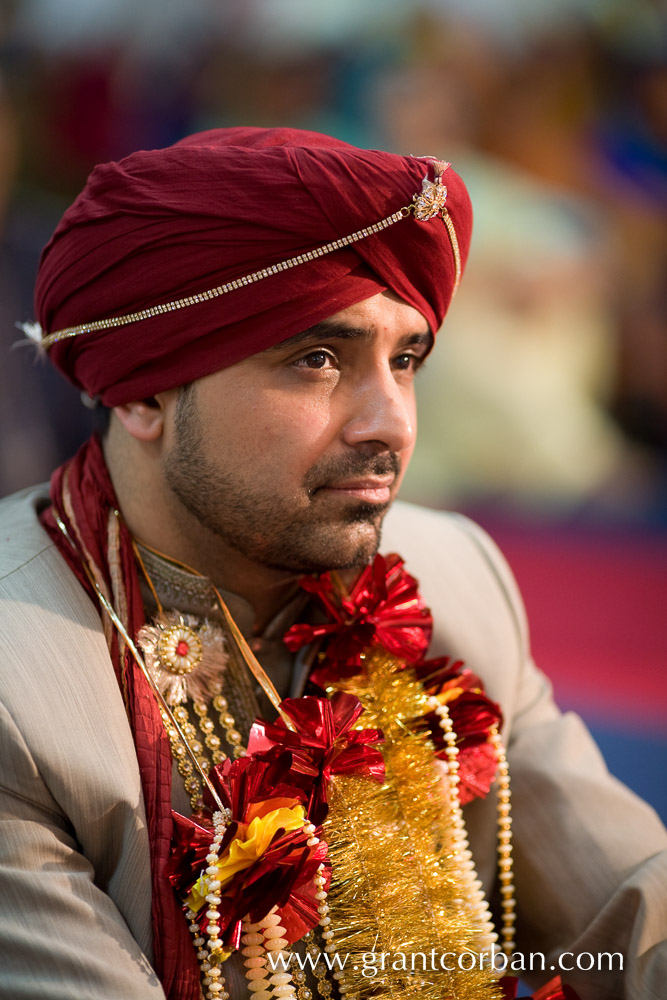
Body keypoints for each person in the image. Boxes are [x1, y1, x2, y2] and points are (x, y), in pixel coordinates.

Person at [0, 127, 665, 1000]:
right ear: (142, 390)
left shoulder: (451, 572)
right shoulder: (19, 687)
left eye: (405, 359)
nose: (390, 424)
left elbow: (631, 914)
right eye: (317, 360)